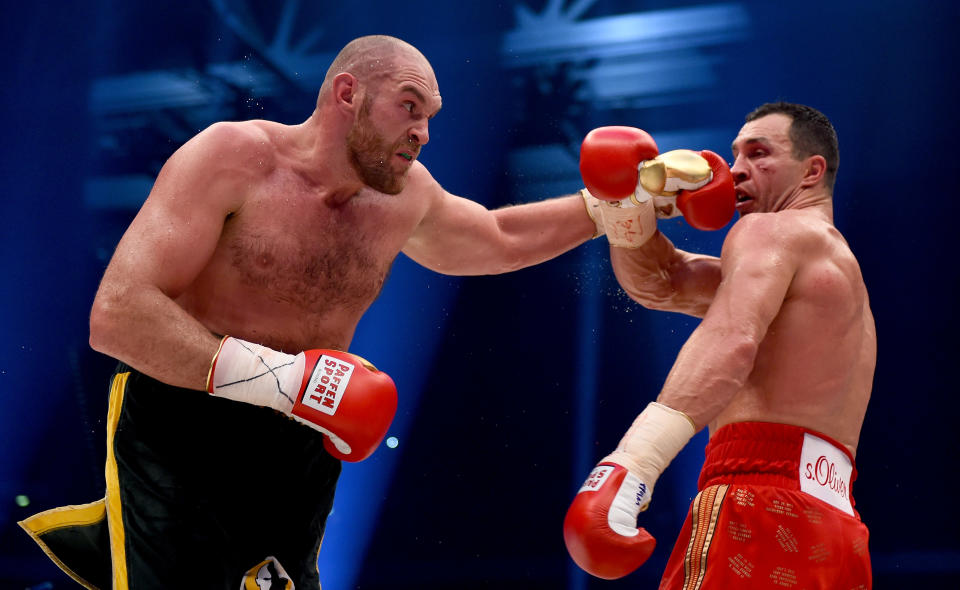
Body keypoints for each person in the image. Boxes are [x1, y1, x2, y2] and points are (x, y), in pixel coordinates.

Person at [18, 35, 601, 589]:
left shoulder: (406, 196)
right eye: (408, 106)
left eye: (431, 116)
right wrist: (291, 381)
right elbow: (118, 314)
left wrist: (609, 209)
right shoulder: (235, 156)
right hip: (184, 422)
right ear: (347, 94)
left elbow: (498, 237)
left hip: (301, 444)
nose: (423, 131)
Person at [563, 102, 875, 588]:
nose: (734, 171)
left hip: (760, 499)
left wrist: (635, 463)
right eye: (734, 155)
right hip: (837, 527)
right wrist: (629, 208)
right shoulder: (832, 270)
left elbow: (733, 338)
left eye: (758, 153)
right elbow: (663, 282)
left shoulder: (768, 230)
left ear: (812, 171)